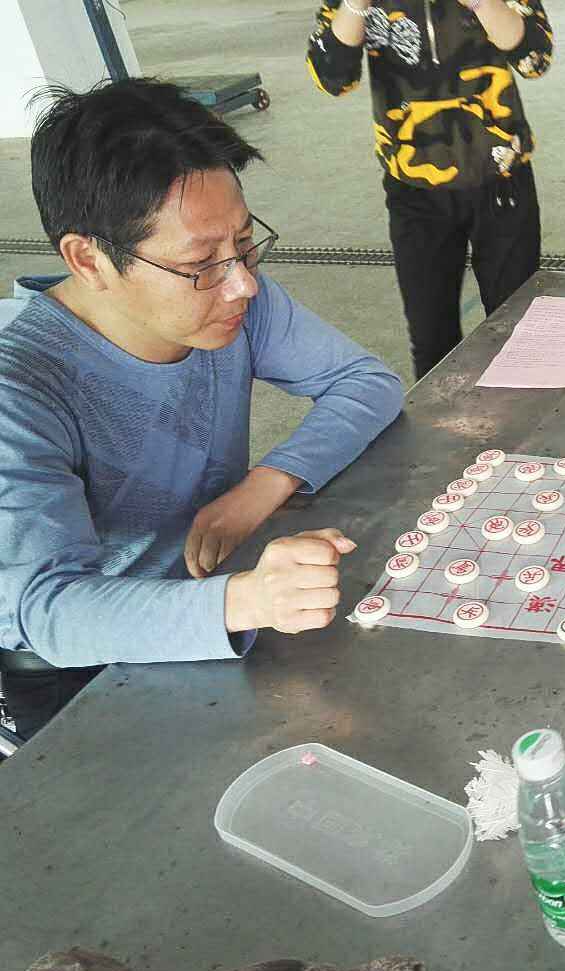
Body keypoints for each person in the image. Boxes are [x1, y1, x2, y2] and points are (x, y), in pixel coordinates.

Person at [0, 79, 405, 751]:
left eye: (244, 243)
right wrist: (249, 600)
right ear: (88, 258)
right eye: (200, 263)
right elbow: (48, 610)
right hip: (79, 666)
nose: (243, 283)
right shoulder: (20, 387)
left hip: (218, 590)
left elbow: (366, 382)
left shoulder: (235, 297)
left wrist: (263, 486)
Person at [306, 0, 554, 381]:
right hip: (414, 190)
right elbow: (332, 77)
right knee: (433, 343)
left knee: (520, 333)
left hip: (501, 181)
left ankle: (526, 417)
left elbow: (534, 59)